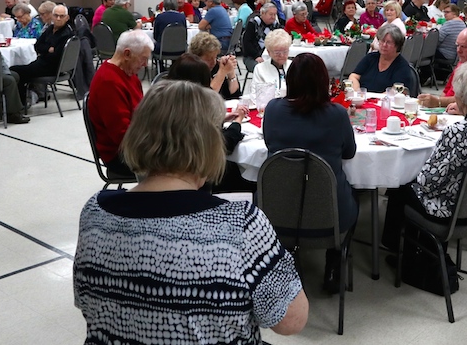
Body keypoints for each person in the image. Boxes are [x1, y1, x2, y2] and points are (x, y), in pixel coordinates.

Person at [73, 80, 308, 343]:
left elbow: (85, 303)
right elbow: (291, 321)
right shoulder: (241, 224)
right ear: (209, 145)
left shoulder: (95, 212)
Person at [381, 61, 467, 250]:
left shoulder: (457, 131)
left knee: (400, 186)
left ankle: (399, 249)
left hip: (451, 209)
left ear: (459, 95)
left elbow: (427, 182)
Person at [262, 53, 357, 293]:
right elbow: (349, 153)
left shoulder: (273, 109)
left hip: (279, 213)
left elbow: (270, 145)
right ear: (323, 81)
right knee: (355, 191)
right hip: (332, 218)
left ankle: (289, 262)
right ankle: (335, 263)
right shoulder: (336, 114)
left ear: (291, 80)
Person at [87, 30, 152, 179]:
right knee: (185, 161)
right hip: (122, 155)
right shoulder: (108, 82)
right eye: (143, 59)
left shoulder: (129, 74)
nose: (145, 65)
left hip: (135, 142)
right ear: (127, 54)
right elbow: (122, 136)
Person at [10, 4, 73, 106]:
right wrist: (48, 49)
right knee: (16, 71)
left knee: (15, 71)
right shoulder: (50, 29)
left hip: (51, 68)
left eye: (61, 16)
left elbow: (55, 56)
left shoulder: (66, 34)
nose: (58, 18)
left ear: (67, 18)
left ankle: (19, 105)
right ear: (52, 16)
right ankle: (19, 103)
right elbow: (37, 46)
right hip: (42, 63)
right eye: (56, 15)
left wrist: (45, 50)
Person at [349, 24, 419, 96]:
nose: (384, 45)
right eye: (382, 41)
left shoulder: (402, 66)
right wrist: (358, 93)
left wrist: (373, 98)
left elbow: (396, 91)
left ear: (397, 45)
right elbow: (354, 76)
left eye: (388, 42)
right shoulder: (370, 58)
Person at [188, 31, 240, 99]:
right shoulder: (190, 71)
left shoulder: (216, 67)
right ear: (196, 57)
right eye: (208, 59)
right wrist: (222, 72)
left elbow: (235, 96)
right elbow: (208, 97)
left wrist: (231, 74)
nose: (213, 62)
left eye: (215, 57)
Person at [247, 29, 292, 97]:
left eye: (285, 51)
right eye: (277, 53)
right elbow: (255, 94)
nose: (282, 55)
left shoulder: (294, 66)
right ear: (268, 52)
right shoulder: (260, 69)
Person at [436, 4, 466, 68]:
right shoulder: (463, 24)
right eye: (444, 12)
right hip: (456, 55)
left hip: (446, 54)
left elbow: (437, 40)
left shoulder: (448, 24)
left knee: (425, 52)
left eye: (447, 12)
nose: (445, 14)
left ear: (454, 13)